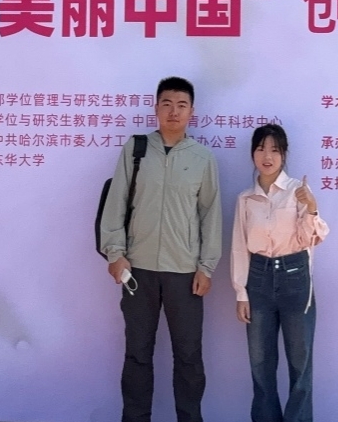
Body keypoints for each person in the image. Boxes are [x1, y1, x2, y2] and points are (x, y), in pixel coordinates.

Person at [98, 77, 222, 422]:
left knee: (189, 356)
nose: (173, 111)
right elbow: (116, 202)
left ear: (192, 112)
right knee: (137, 354)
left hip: (185, 272)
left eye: (181, 105)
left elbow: (210, 214)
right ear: (156, 108)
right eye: (167, 104)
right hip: (137, 270)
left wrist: (206, 267)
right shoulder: (136, 149)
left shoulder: (202, 158)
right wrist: (115, 253)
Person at [231, 124, 329, 422]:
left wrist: (311, 208)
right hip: (258, 278)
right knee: (260, 365)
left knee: (300, 362)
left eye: (275, 149)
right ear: (252, 154)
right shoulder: (245, 199)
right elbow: (239, 247)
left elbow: (310, 239)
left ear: (284, 155)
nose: (267, 156)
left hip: (294, 275)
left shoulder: (298, 191)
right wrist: (241, 292)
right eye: (261, 148)